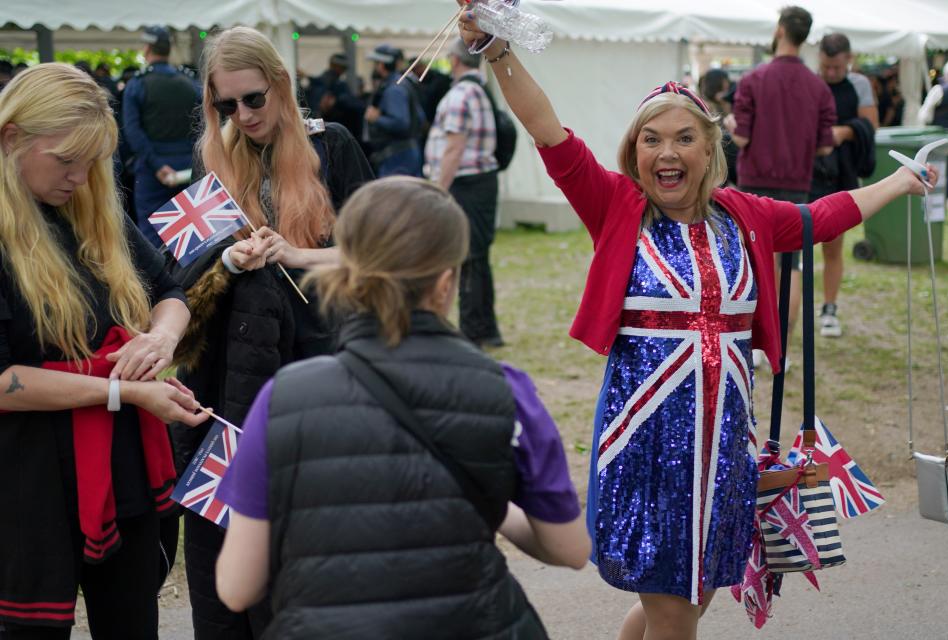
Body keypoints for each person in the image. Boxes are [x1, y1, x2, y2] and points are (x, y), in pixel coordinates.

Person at [457, 6, 937, 639]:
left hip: (725, 451)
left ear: (711, 148)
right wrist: (495, 47)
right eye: (651, 140)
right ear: (635, 151)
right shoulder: (616, 206)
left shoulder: (744, 215)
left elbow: (823, 217)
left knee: (694, 599)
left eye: (684, 137)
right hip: (646, 448)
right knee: (674, 610)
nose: (667, 152)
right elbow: (547, 131)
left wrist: (899, 183)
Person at [214, 176, 591, 639]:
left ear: (349, 273)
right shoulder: (505, 390)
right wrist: (489, 502)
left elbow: (236, 586)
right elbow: (570, 548)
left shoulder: (283, 398)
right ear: (445, 282)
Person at [168, 26, 373, 640]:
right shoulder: (215, 164)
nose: (242, 115)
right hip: (230, 379)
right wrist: (228, 263)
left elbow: (380, 259)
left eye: (253, 98)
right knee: (225, 547)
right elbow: (180, 280)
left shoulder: (330, 146)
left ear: (280, 86)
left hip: (316, 371)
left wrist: (296, 255)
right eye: (225, 105)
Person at [0, 63, 205, 640]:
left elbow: (169, 290)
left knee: (132, 618)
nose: (80, 176)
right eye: (66, 160)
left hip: (122, 463)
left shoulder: (91, 208)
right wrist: (123, 390)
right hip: (28, 475)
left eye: (92, 160)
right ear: (11, 138)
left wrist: (161, 337)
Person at [726, 6, 836, 365]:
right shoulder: (818, 87)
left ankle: (754, 345)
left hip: (754, 182)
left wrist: (729, 124)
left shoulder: (754, 79)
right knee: (791, 266)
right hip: (796, 184)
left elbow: (740, 139)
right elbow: (824, 145)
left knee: (756, 263)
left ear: (780, 30)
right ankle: (782, 349)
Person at [425, 39, 504, 347]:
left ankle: (472, 332)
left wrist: (437, 192)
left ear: (455, 62)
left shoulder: (459, 95)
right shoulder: (482, 91)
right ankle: (486, 329)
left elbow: (454, 148)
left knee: (466, 256)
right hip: (482, 182)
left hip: (465, 184)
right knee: (478, 257)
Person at [812, 33, 879, 337]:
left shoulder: (859, 85)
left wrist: (842, 133)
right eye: (826, 66)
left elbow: (870, 125)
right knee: (788, 248)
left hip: (842, 172)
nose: (831, 73)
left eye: (837, 67)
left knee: (833, 242)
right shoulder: (810, 82)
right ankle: (785, 312)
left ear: (848, 60)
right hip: (808, 170)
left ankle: (829, 307)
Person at [123, 25, 202, 247]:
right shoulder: (189, 82)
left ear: (147, 48)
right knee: (190, 238)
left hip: (153, 169)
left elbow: (133, 132)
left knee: (153, 238)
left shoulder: (138, 84)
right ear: (168, 49)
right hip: (189, 166)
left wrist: (157, 165)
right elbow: (203, 125)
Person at [364, 44, 426, 177]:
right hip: (406, 154)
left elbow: (401, 123)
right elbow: (420, 118)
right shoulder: (402, 83)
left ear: (381, 65)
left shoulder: (393, 89)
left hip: (397, 158)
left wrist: (376, 118)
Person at [920, 58, 948, 211]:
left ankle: (937, 205)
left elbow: (925, 115)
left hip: (941, 137)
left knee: (937, 172)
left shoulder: (939, 90)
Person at [306, 53, 365, 140]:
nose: (343, 71)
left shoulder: (317, 85)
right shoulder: (334, 85)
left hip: (320, 132)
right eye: (342, 68)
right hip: (328, 133)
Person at [697, 69, 737, 186]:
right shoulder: (708, 107)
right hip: (716, 159)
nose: (728, 86)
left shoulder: (719, 103)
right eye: (726, 83)